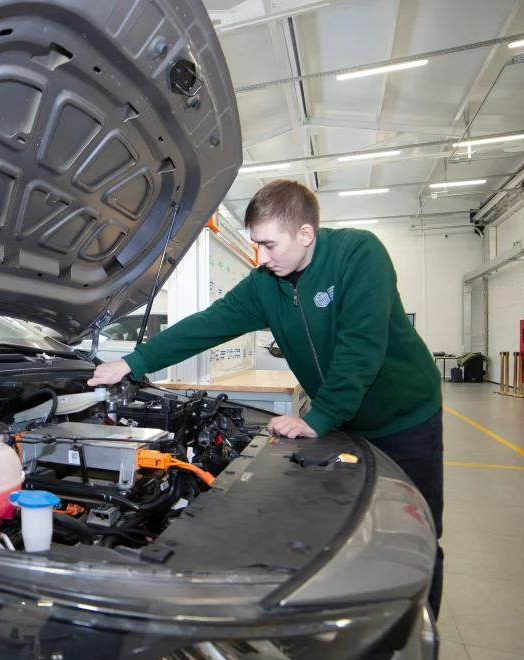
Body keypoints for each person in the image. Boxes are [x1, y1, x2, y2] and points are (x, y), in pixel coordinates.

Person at [88, 178, 445, 618]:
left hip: (404, 417)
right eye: (256, 244)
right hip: (345, 420)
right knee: (348, 528)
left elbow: (361, 347)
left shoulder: (359, 255)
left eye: (269, 245)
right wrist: (134, 361)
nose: (260, 257)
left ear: (305, 234)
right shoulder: (266, 284)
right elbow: (208, 324)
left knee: (415, 533)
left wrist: (320, 416)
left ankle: (422, 624)